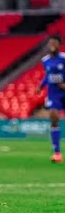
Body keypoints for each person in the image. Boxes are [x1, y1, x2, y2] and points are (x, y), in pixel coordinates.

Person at [36, 35, 65, 164]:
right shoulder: (45, 60)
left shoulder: (64, 59)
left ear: (59, 45)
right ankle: (57, 153)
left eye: (54, 43)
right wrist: (40, 86)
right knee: (53, 118)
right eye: (50, 43)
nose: (52, 45)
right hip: (53, 93)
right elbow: (48, 76)